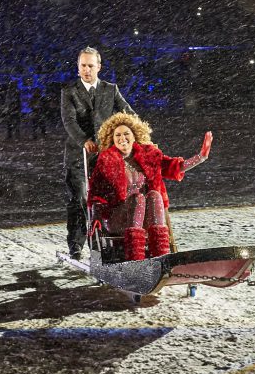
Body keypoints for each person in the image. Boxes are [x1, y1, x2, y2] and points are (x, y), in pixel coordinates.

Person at [87, 113, 213, 261]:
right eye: (117, 135)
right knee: (138, 198)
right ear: (112, 139)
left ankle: (161, 256)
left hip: (144, 217)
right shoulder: (106, 160)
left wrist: (201, 157)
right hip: (117, 217)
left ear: (134, 136)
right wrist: (96, 215)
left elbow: (175, 166)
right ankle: (135, 258)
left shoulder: (148, 155)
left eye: (126, 133)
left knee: (154, 195)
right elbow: (95, 192)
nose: (122, 138)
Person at [61, 47, 135, 259]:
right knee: (79, 199)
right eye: (83, 66)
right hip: (78, 157)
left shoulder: (110, 90)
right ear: (78, 68)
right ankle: (76, 245)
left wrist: (138, 131)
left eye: (90, 66)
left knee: (106, 200)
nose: (86, 70)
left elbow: (127, 112)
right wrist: (84, 140)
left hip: (104, 158)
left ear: (99, 67)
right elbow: (69, 121)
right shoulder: (69, 92)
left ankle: (104, 244)